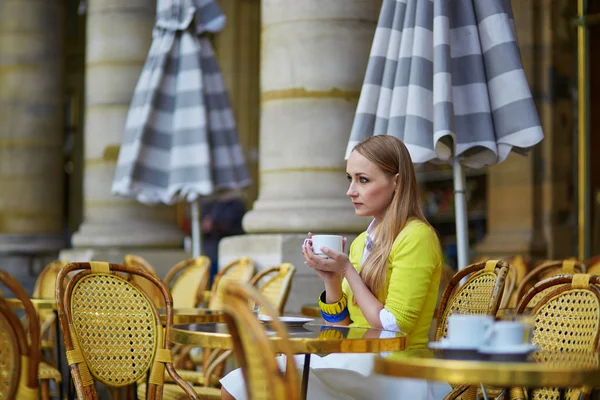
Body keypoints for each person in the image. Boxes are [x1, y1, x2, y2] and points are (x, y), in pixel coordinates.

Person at [220, 135, 450, 400]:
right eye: (350, 179)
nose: (351, 191)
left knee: (252, 382)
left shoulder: (416, 236)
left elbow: (394, 325)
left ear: (396, 182)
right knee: (243, 380)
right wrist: (330, 278)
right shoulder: (363, 242)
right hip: (356, 362)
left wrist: (348, 272)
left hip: (398, 370)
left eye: (363, 180)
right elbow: (341, 326)